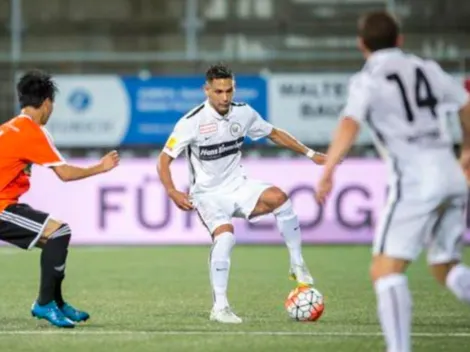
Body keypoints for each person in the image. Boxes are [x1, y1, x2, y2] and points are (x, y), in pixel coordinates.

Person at [315, 11, 470, 352]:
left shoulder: (367, 79)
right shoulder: (426, 67)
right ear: (399, 39)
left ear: (361, 44)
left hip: (416, 180)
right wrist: (468, 151)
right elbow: (465, 103)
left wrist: (328, 169)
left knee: (384, 271)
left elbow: (349, 123)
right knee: (445, 267)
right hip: (451, 173)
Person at [157, 63, 326, 324]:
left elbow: (274, 134)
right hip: (207, 195)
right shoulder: (191, 122)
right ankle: (220, 307)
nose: (225, 97)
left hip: (238, 185)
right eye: (218, 92)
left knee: (280, 198)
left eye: (229, 90)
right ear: (207, 90)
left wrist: (311, 154)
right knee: (225, 238)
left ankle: (297, 264)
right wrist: (171, 191)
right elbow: (163, 160)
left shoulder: (243, 113)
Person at [0, 70, 120, 328]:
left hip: (7, 202)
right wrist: (101, 167)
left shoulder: (11, 128)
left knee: (55, 239)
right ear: (46, 103)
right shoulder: (31, 130)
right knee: (59, 232)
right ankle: (44, 303)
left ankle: (56, 301)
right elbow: (64, 173)